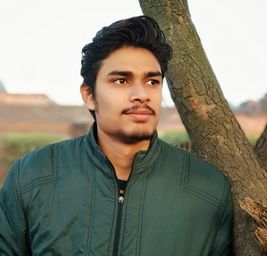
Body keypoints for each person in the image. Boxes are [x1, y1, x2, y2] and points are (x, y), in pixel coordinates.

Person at [0, 16, 233, 255]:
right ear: (89, 95)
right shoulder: (33, 176)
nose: (142, 94)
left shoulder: (208, 190)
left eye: (152, 81)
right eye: (121, 80)